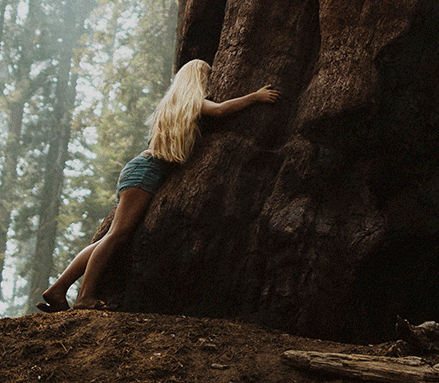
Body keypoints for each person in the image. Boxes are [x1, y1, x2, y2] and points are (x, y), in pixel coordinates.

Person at [37, 59, 279, 312]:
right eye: (208, 75)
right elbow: (219, 110)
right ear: (197, 78)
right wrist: (255, 96)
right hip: (145, 170)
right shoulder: (189, 102)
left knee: (112, 236)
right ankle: (84, 297)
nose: (211, 79)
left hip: (141, 169)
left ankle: (57, 289)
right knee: (117, 235)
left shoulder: (173, 104)